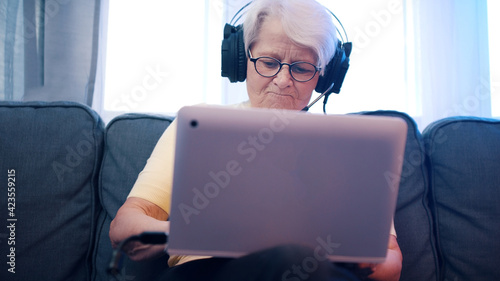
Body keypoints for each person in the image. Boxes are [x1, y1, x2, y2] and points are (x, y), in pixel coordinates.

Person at [109, 0, 403, 280]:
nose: (283, 80)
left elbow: (391, 263)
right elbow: (124, 228)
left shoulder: (351, 145)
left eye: (301, 68)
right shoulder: (199, 124)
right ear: (242, 61)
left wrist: (334, 249)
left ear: (324, 78)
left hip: (314, 272)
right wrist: (191, 231)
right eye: (269, 62)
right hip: (207, 273)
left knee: (298, 262)